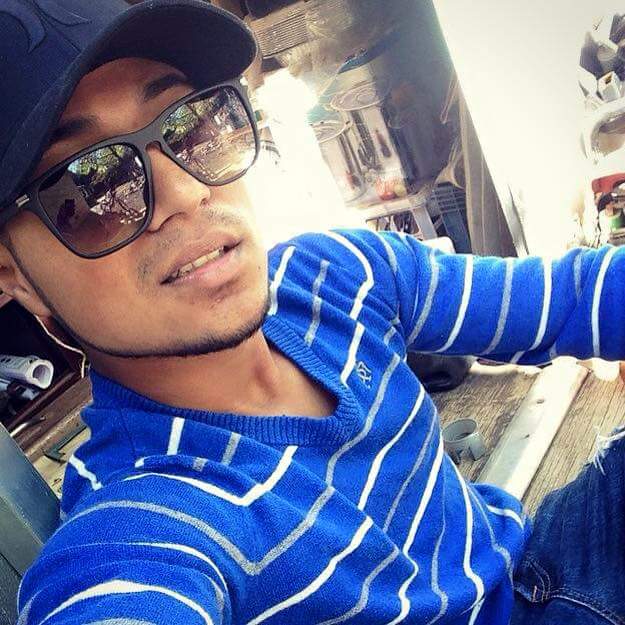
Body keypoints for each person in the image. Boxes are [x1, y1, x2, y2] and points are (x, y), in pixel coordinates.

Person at [0, 2, 624, 624]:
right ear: (13, 275)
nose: (187, 192)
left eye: (191, 125)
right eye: (90, 185)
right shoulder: (145, 519)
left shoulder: (334, 277)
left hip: (540, 565)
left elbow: (573, 298)